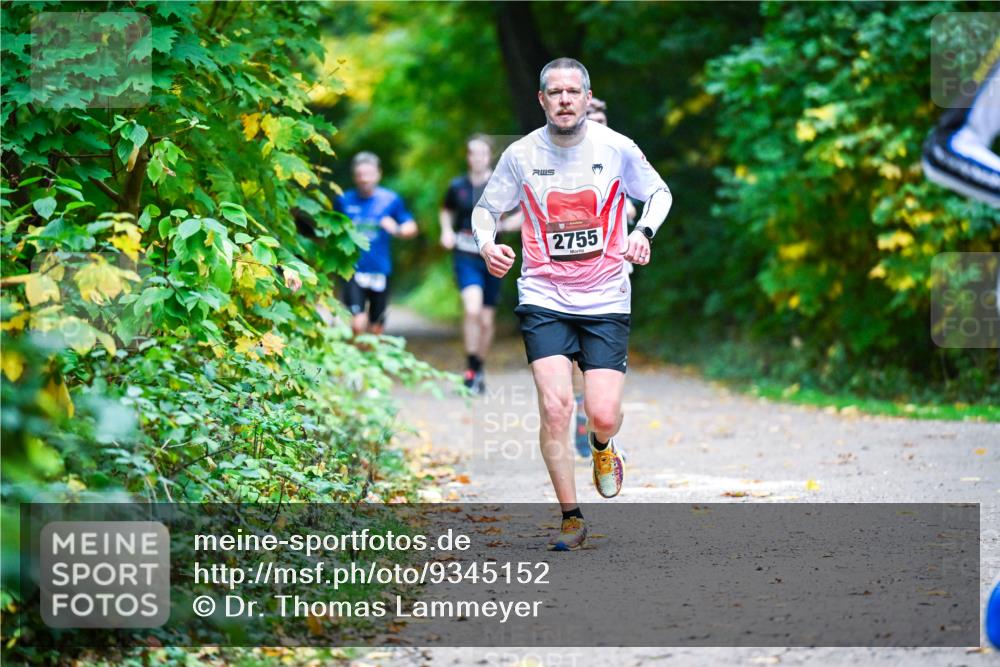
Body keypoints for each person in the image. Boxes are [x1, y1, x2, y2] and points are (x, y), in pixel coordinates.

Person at [472, 57, 673, 550]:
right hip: (543, 293)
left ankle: (604, 447)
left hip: (606, 294)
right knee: (557, 406)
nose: (564, 99)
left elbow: (660, 193)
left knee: (601, 414)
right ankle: (571, 516)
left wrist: (643, 232)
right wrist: (486, 244)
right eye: (554, 92)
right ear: (541, 100)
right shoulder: (520, 154)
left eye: (572, 91)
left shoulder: (617, 147)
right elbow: (485, 209)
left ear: (587, 97)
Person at [570, 97, 639, 457]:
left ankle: (603, 425)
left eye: (599, 118)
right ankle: (585, 420)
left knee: (606, 355)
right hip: (570, 272)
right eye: (589, 118)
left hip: (613, 269)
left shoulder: (621, 153)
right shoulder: (563, 158)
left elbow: (635, 201)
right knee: (575, 356)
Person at [440, 136, 521, 394]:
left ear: (489, 157)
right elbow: (445, 210)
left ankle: (478, 367)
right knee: (472, 310)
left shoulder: (500, 185)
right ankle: (471, 369)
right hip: (465, 255)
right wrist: (446, 231)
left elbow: (525, 209)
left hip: (494, 257)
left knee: (486, 320)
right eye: (473, 153)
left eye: (483, 154)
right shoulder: (457, 186)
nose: (478, 158)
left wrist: (508, 224)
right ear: (468, 157)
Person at [335, 152, 417, 336]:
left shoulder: (390, 200)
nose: (364, 179)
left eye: (369, 174)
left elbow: (411, 227)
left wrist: (396, 229)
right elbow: (331, 230)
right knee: (357, 322)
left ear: (378, 174)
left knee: (376, 326)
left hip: (380, 269)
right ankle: (357, 362)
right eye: (360, 175)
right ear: (354, 176)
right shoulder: (343, 200)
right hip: (353, 268)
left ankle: (371, 359)